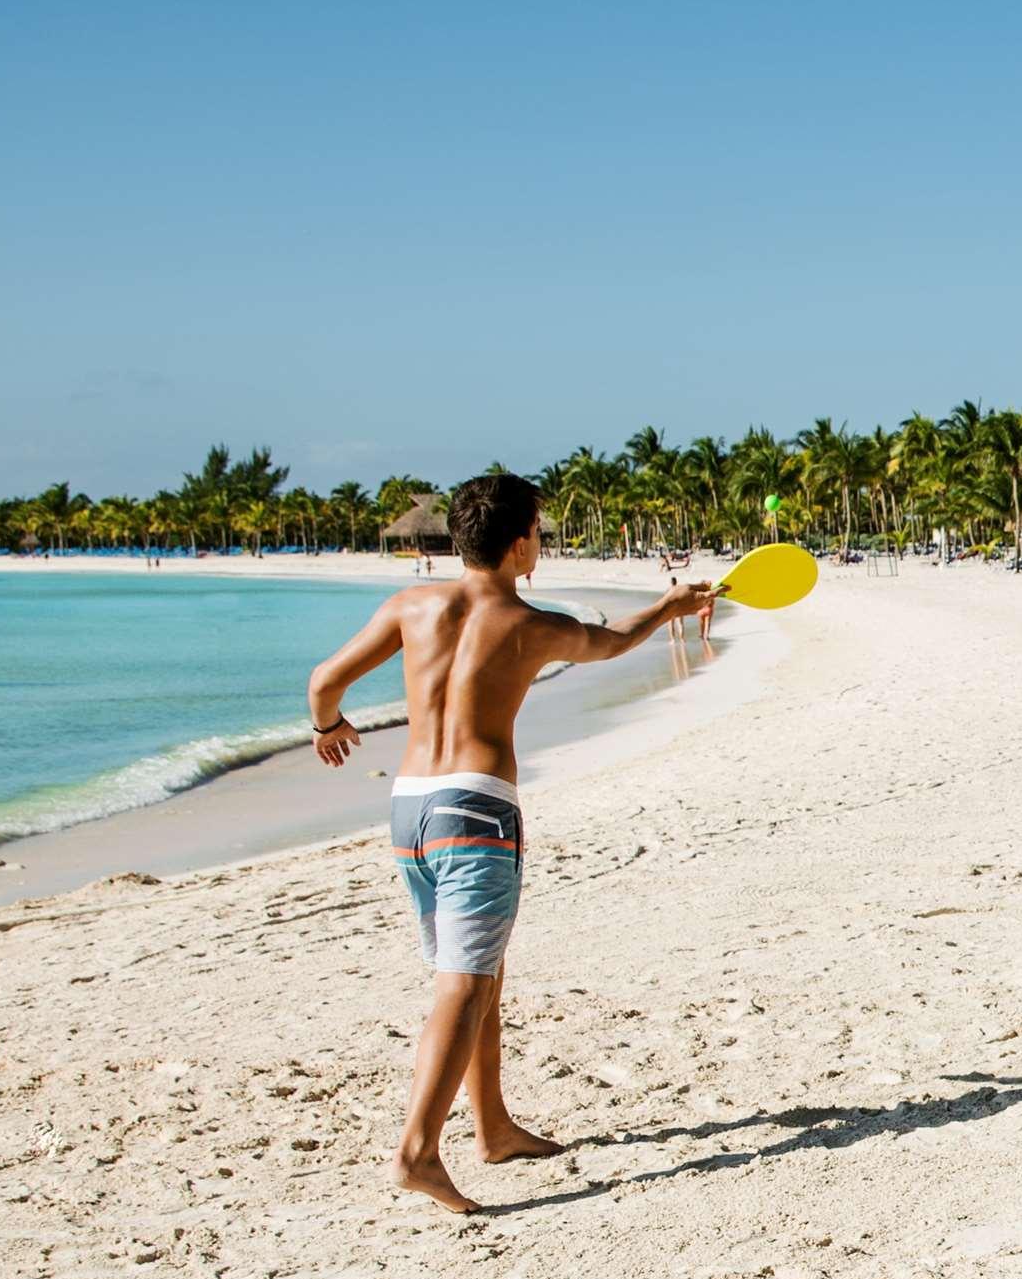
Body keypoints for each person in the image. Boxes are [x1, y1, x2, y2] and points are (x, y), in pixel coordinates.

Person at [305, 469, 715, 1213]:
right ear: (521, 542)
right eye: (541, 531)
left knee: (477, 970)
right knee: (462, 984)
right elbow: (612, 640)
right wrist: (669, 605)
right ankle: (418, 1152)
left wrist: (327, 728)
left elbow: (323, 682)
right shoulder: (529, 624)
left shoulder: (410, 605)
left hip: (410, 811)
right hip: (477, 812)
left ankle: (492, 1127)